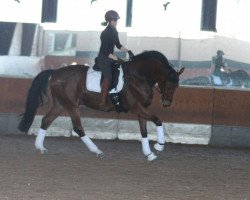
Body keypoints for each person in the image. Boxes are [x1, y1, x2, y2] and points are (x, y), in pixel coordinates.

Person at [96, 10, 134, 111]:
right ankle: (102, 103)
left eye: (116, 20)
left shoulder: (114, 31)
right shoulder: (105, 33)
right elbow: (105, 51)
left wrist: (128, 51)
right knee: (108, 77)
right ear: (109, 20)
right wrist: (117, 58)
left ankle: (116, 97)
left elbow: (118, 45)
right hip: (104, 58)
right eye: (114, 20)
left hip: (110, 57)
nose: (116, 21)